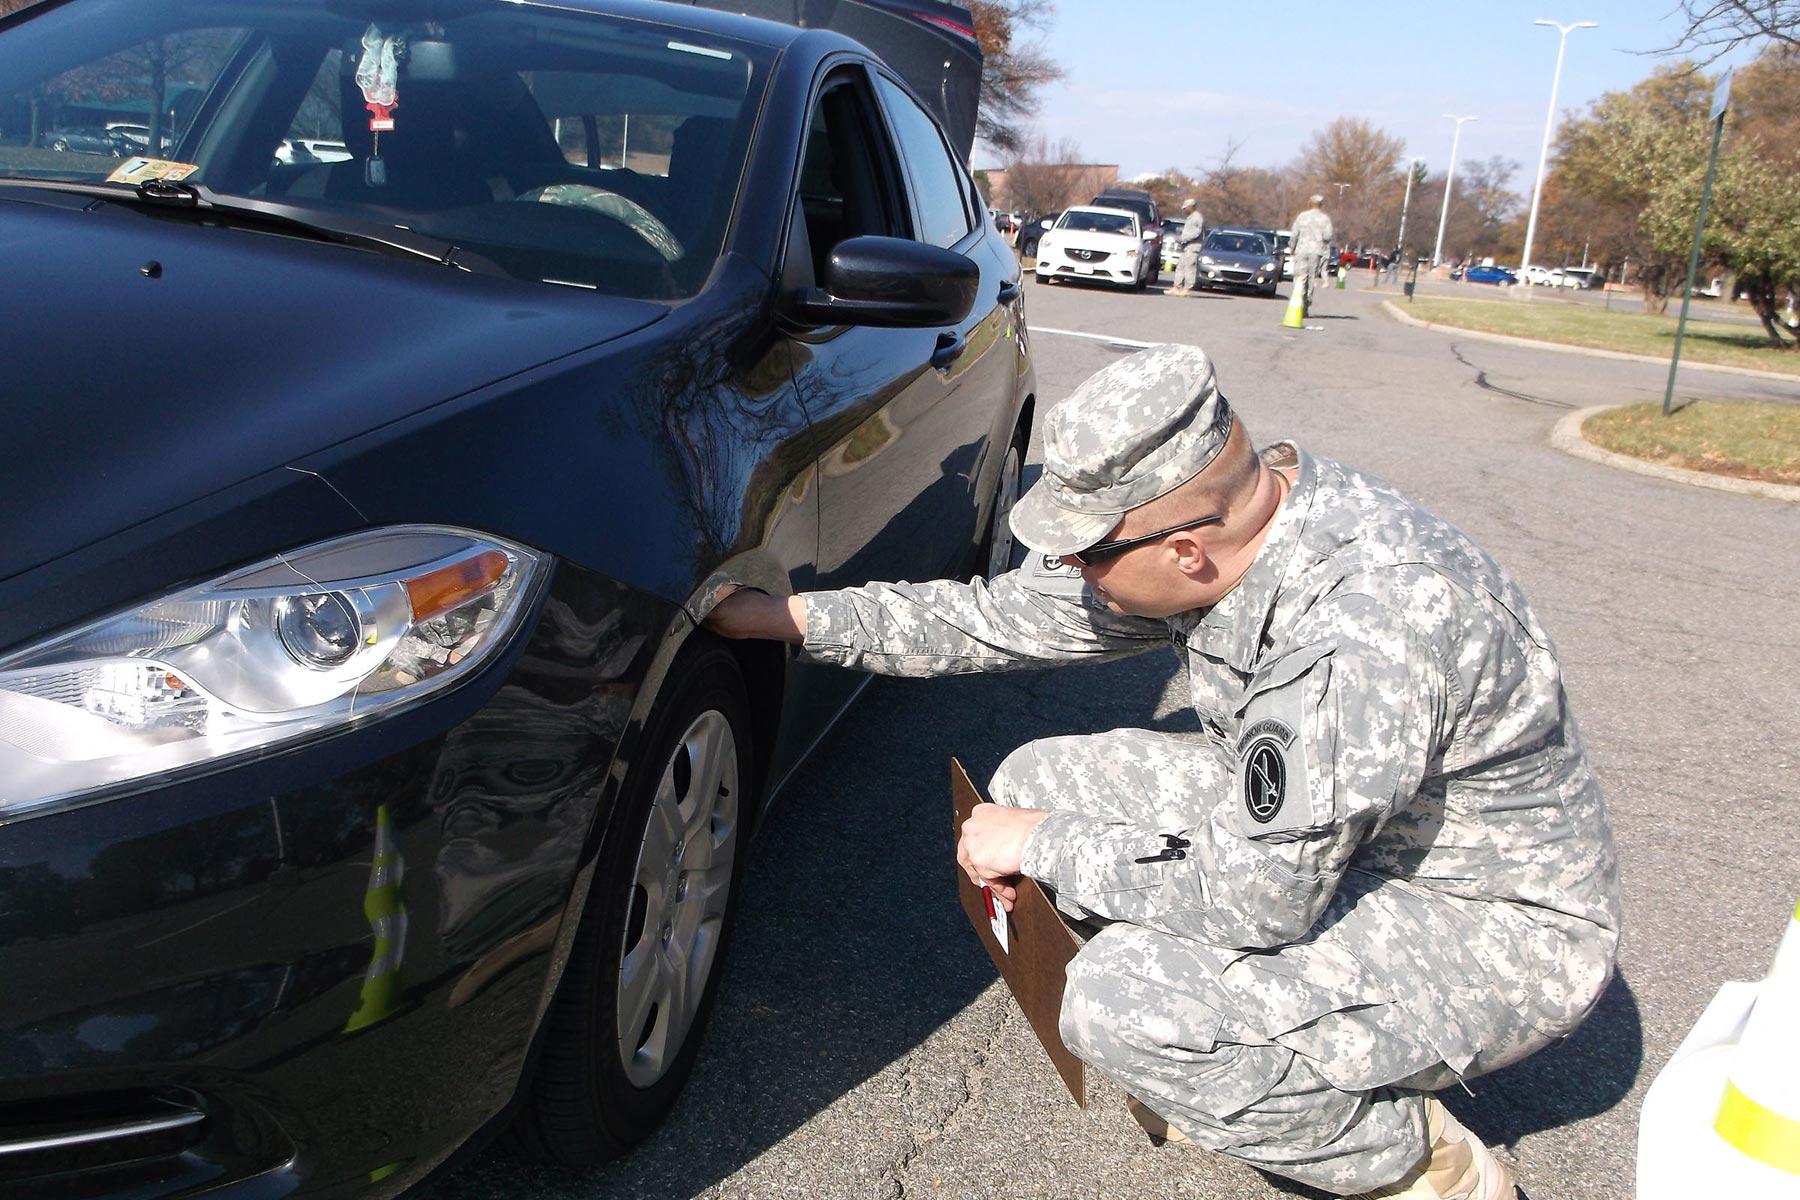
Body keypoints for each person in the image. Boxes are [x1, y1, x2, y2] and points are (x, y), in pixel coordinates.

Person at [706, 343, 1620, 1200]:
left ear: (1184, 548)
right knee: (1036, 781)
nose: (1067, 568)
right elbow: (996, 619)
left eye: (1085, 553)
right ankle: (1227, 1048)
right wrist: (782, 620)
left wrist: (1049, 844)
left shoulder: (1362, 631)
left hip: (1480, 923)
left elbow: (1262, 899)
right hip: (1343, 844)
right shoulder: (1236, 539)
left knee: (1121, 1002)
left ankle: (1419, 1165)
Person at [1290, 194, 1333, 311]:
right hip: (1316, 251)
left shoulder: (1302, 216)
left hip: (1301, 249)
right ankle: (1306, 303)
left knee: (1299, 275)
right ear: (1321, 205)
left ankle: (1298, 299)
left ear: (1310, 203)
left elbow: (1294, 234)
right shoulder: (1325, 219)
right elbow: (1328, 236)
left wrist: (1291, 248)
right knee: (1311, 277)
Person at [1169, 197, 1205, 297]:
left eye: (1186, 208)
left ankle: (1187, 288)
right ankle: (1176, 287)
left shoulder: (1197, 217)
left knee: (1190, 267)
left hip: (1193, 247)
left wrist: (1184, 238)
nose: (1184, 210)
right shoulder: (1190, 217)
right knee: (1181, 266)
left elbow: (1196, 232)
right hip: (1186, 247)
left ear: (1191, 207)